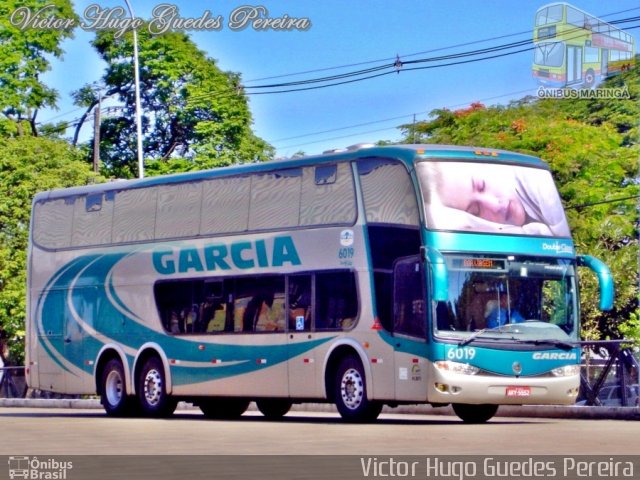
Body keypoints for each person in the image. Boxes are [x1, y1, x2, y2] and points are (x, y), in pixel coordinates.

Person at [419, 161, 571, 237]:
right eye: (476, 211)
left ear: (487, 168)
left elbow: (557, 243)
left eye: (482, 186)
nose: (495, 205)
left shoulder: (534, 179)